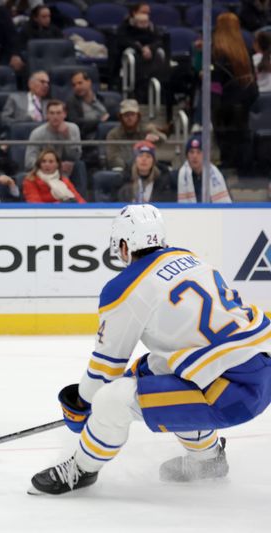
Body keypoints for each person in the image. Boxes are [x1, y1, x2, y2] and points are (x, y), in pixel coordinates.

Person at [30, 204, 271, 495]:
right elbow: (180, 346)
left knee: (112, 400)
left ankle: (80, 470)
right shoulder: (187, 257)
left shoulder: (124, 287)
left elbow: (104, 374)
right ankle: (208, 462)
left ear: (123, 245)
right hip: (260, 365)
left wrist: (81, 407)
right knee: (153, 369)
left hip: (232, 392)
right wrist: (135, 374)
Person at [211, 12, 259, 173]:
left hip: (226, 103)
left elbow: (216, 82)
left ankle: (228, 164)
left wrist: (214, 103)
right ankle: (243, 168)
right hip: (245, 101)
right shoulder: (244, 50)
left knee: (227, 137)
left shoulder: (217, 51)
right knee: (241, 135)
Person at [24, 100, 87, 195]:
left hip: (67, 171)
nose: (55, 116)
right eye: (52, 113)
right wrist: (54, 166)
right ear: (47, 115)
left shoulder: (73, 129)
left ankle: (81, 203)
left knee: (79, 165)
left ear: (64, 114)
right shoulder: (37, 133)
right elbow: (29, 162)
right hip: (44, 170)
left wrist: (67, 137)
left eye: (58, 113)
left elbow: (76, 156)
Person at [114, 2, 167, 103]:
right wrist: (141, 48)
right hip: (132, 61)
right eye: (143, 12)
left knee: (160, 55)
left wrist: (150, 48)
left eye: (148, 13)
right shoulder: (125, 26)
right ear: (134, 13)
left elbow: (159, 41)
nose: (146, 15)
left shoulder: (151, 26)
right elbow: (123, 41)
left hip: (149, 58)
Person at [106, 99, 166, 170]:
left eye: (132, 114)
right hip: (123, 171)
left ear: (138, 116)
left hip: (146, 169)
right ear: (121, 117)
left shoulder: (146, 129)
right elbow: (113, 158)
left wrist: (156, 137)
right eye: (126, 115)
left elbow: (163, 138)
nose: (129, 118)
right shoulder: (113, 134)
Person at [176, 135, 231, 203]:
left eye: (199, 152)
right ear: (187, 156)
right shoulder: (178, 177)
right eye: (191, 152)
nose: (195, 156)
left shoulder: (217, 176)